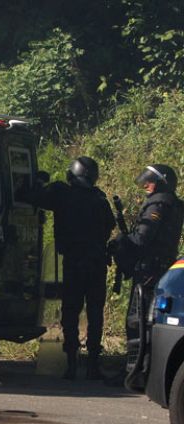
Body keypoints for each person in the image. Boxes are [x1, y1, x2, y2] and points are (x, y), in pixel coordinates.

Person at [26, 156, 115, 380]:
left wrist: (38, 182)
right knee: (95, 314)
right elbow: (109, 226)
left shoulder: (61, 193)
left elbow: (33, 198)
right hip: (95, 263)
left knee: (71, 312)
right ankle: (93, 364)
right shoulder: (100, 200)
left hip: (74, 262)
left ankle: (72, 363)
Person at [114, 164, 184, 388]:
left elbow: (142, 239)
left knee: (138, 322)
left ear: (161, 182)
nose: (146, 185)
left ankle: (136, 373)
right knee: (149, 322)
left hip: (149, 271)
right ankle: (144, 372)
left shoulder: (159, 203)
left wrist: (121, 243)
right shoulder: (174, 203)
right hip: (161, 268)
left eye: (150, 181)